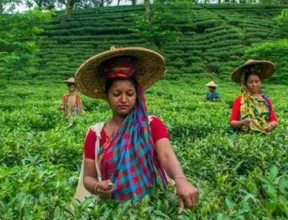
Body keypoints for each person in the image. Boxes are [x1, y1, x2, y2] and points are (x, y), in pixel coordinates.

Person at [73, 47, 198, 213]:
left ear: (137, 95)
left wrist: (181, 179)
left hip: (153, 206)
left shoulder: (151, 124)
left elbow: (166, 155)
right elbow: (88, 177)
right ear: (107, 95)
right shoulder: (95, 134)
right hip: (113, 211)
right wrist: (97, 187)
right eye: (116, 93)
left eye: (130, 93)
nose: (124, 99)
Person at [229, 60, 278, 134]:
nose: (254, 85)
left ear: (260, 82)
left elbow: (274, 121)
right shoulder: (239, 100)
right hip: (245, 140)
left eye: (257, 81)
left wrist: (270, 125)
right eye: (250, 82)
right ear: (245, 84)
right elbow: (232, 122)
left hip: (264, 138)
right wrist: (242, 122)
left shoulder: (267, 101)